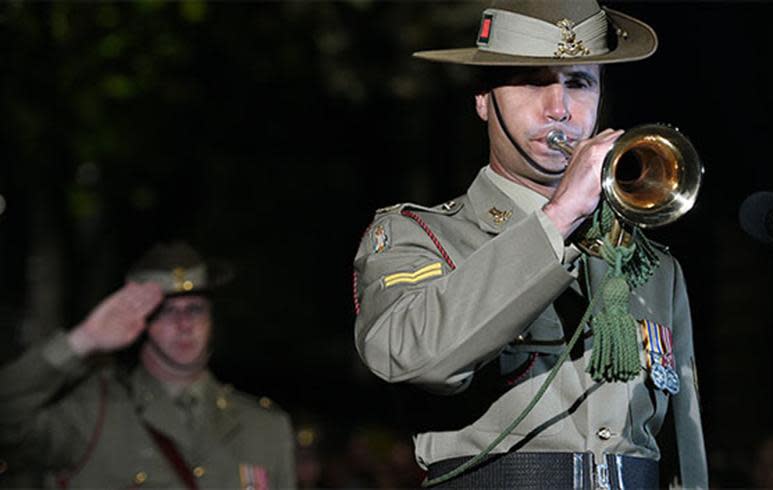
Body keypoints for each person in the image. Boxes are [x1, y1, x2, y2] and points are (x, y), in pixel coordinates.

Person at [352, 0, 707, 488]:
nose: (559, 108)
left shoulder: (650, 266)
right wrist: (558, 217)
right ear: (483, 99)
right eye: (534, 81)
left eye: (579, 83)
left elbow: (682, 453)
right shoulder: (421, 237)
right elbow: (410, 354)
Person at [0, 242, 296, 489]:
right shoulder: (93, 414)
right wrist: (82, 340)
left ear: (212, 319)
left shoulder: (266, 429)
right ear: (141, 324)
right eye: (167, 311)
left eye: (195, 309)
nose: (184, 324)